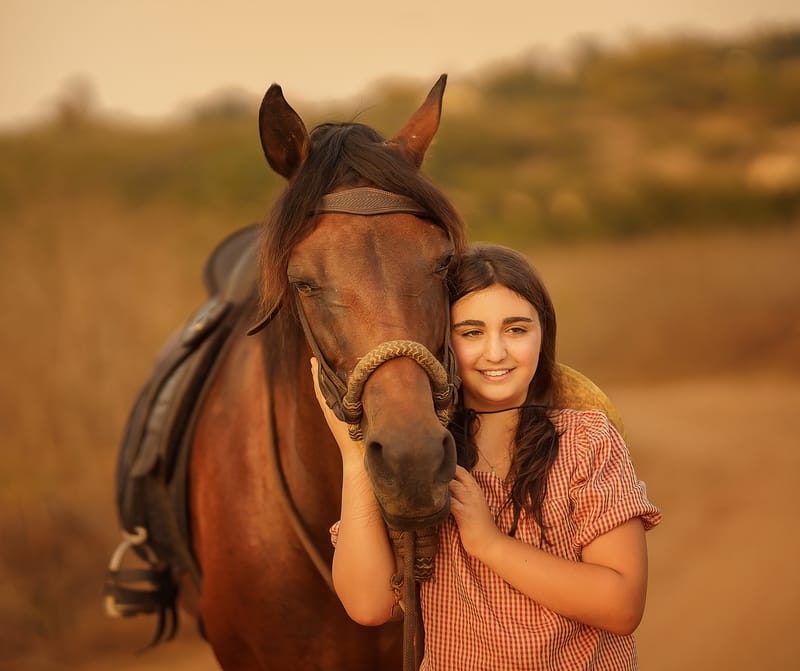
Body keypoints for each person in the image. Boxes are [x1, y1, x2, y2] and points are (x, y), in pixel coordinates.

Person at [311, 243, 662, 670]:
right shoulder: (423, 454)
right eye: (471, 332)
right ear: (438, 341)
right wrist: (354, 455)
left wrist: (489, 544)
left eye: (516, 329)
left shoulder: (585, 440)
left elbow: (621, 606)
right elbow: (368, 605)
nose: (495, 353)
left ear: (543, 334)